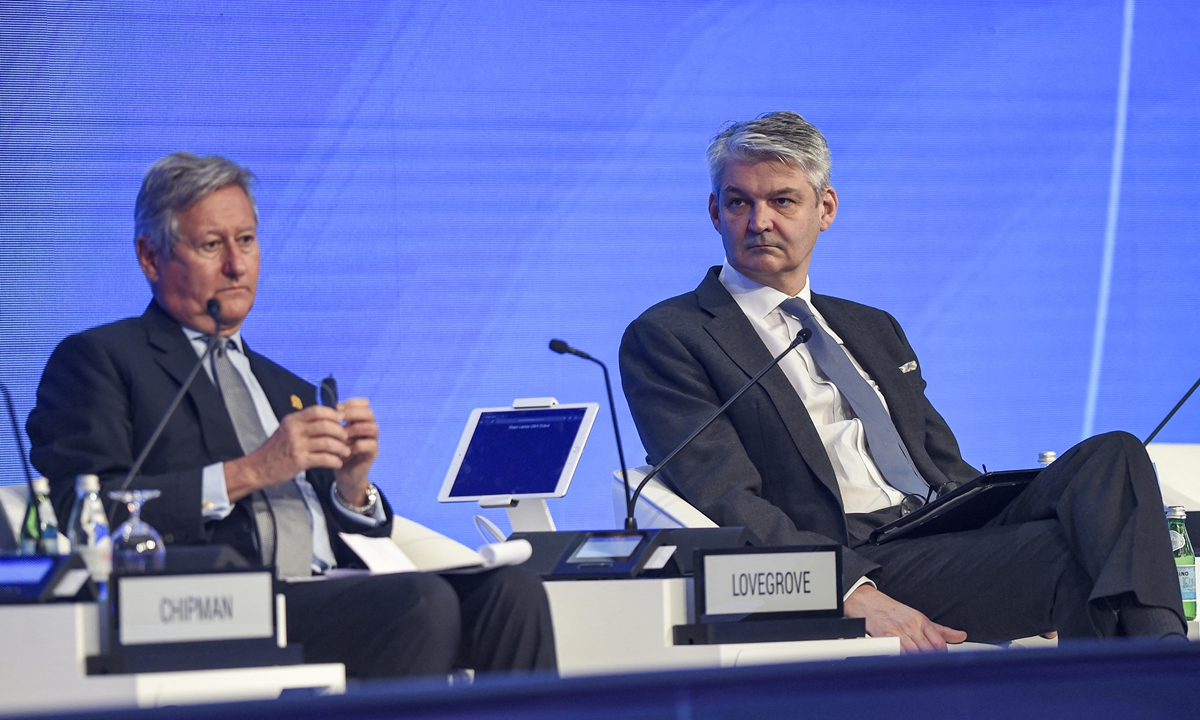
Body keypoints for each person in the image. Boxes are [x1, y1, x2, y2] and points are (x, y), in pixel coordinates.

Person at [619, 111, 1186, 652]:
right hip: (860, 553)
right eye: (739, 202)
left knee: (1114, 456)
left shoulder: (872, 326)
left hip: (942, 522)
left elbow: (940, 460)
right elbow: (725, 497)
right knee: (1080, 557)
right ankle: (1171, 669)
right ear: (715, 212)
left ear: (825, 208)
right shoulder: (671, 335)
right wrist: (851, 590)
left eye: (782, 201)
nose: (759, 221)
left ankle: (1165, 661)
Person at [27, 151, 557, 679]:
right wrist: (252, 471)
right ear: (150, 256)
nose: (236, 265)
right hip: (214, 603)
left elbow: (353, 534)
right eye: (212, 245)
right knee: (420, 603)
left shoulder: (288, 389)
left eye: (246, 241)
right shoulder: (101, 360)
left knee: (512, 593)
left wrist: (352, 489)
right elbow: (82, 509)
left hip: (330, 588)